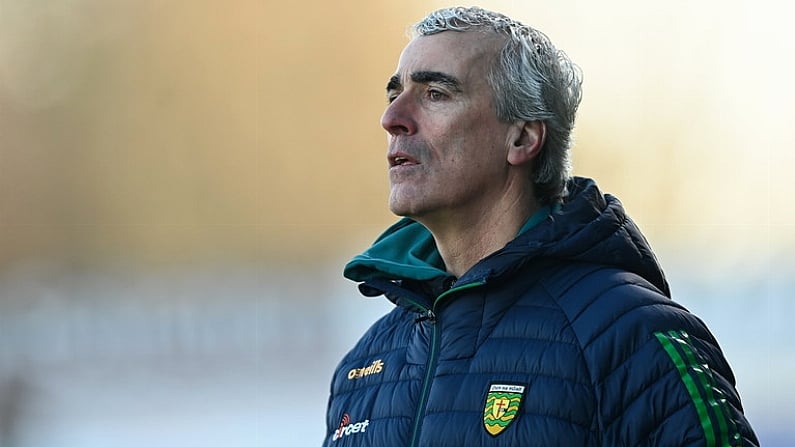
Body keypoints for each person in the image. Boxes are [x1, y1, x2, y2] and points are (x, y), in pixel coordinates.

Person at [324, 6, 757, 446]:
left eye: (436, 92)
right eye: (395, 93)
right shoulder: (365, 367)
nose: (393, 118)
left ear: (523, 138)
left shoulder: (633, 335)